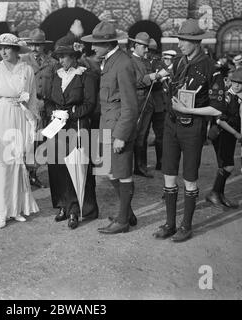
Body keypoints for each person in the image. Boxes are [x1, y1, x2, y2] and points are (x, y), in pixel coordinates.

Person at [152, 18, 226, 242]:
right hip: (171, 125)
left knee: (190, 178)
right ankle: (170, 223)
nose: (180, 44)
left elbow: (217, 108)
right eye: (179, 39)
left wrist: (190, 109)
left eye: (184, 40)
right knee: (169, 175)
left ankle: (186, 226)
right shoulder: (179, 62)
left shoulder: (211, 69)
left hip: (192, 129)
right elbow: (168, 79)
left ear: (196, 42)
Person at [82, 21, 138, 234]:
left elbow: (130, 105)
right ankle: (127, 213)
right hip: (108, 124)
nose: (92, 48)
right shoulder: (110, 60)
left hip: (118, 129)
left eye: (96, 44)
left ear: (108, 43)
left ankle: (123, 221)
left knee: (122, 174)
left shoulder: (122, 63)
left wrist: (121, 135)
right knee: (109, 171)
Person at [0, 33, 39, 229]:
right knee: (1, 165)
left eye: (7, 48)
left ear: (16, 50)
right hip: (0, 117)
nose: (4, 51)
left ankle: (16, 209)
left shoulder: (27, 70)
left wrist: (33, 125)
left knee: (17, 163)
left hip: (20, 116)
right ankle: (1, 211)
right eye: (1, 48)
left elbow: (32, 99)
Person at [46, 34, 99, 229]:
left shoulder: (86, 76)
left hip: (77, 126)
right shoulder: (55, 75)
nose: (60, 61)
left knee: (75, 166)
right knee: (57, 167)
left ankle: (76, 209)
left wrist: (72, 113)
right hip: (57, 126)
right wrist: (54, 112)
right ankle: (63, 204)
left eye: (64, 56)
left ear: (74, 56)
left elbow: (90, 103)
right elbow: (49, 101)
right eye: (58, 57)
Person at [206, 67, 242, 208]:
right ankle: (214, 193)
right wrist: (236, 133)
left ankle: (219, 194)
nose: (237, 84)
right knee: (228, 166)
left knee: (226, 165)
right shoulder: (226, 97)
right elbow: (220, 120)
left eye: (241, 82)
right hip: (221, 133)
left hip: (231, 135)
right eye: (235, 81)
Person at [20, 28, 58, 188]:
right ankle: (25, 174)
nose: (35, 48)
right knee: (28, 140)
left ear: (43, 46)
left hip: (47, 105)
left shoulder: (52, 63)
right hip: (29, 105)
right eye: (32, 45)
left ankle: (34, 172)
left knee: (41, 140)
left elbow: (56, 85)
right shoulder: (23, 61)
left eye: (38, 45)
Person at [129, 32, 169, 178]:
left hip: (148, 102)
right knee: (139, 135)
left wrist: (157, 78)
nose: (147, 51)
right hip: (139, 103)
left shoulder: (144, 61)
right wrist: (155, 76)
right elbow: (136, 82)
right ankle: (138, 166)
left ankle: (141, 166)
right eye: (145, 47)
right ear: (136, 46)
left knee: (143, 135)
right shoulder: (130, 61)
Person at [149, 49, 175, 170]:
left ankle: (160, 162)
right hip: (153, 102)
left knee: (160, 135)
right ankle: (155, 162)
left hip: (158, 103)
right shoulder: (156, 63)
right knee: (147, 135)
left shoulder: (159, 64)